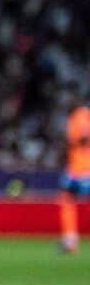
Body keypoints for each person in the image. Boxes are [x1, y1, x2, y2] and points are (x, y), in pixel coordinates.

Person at [61, 97, 89, 256]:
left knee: (67, 199)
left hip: (82, 169)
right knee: (66, 198)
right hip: (76, 167)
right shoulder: (79, 115)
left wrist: (73, 144)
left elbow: (84, 137)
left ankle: (71, 240)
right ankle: (70, 239)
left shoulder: (80, 115)